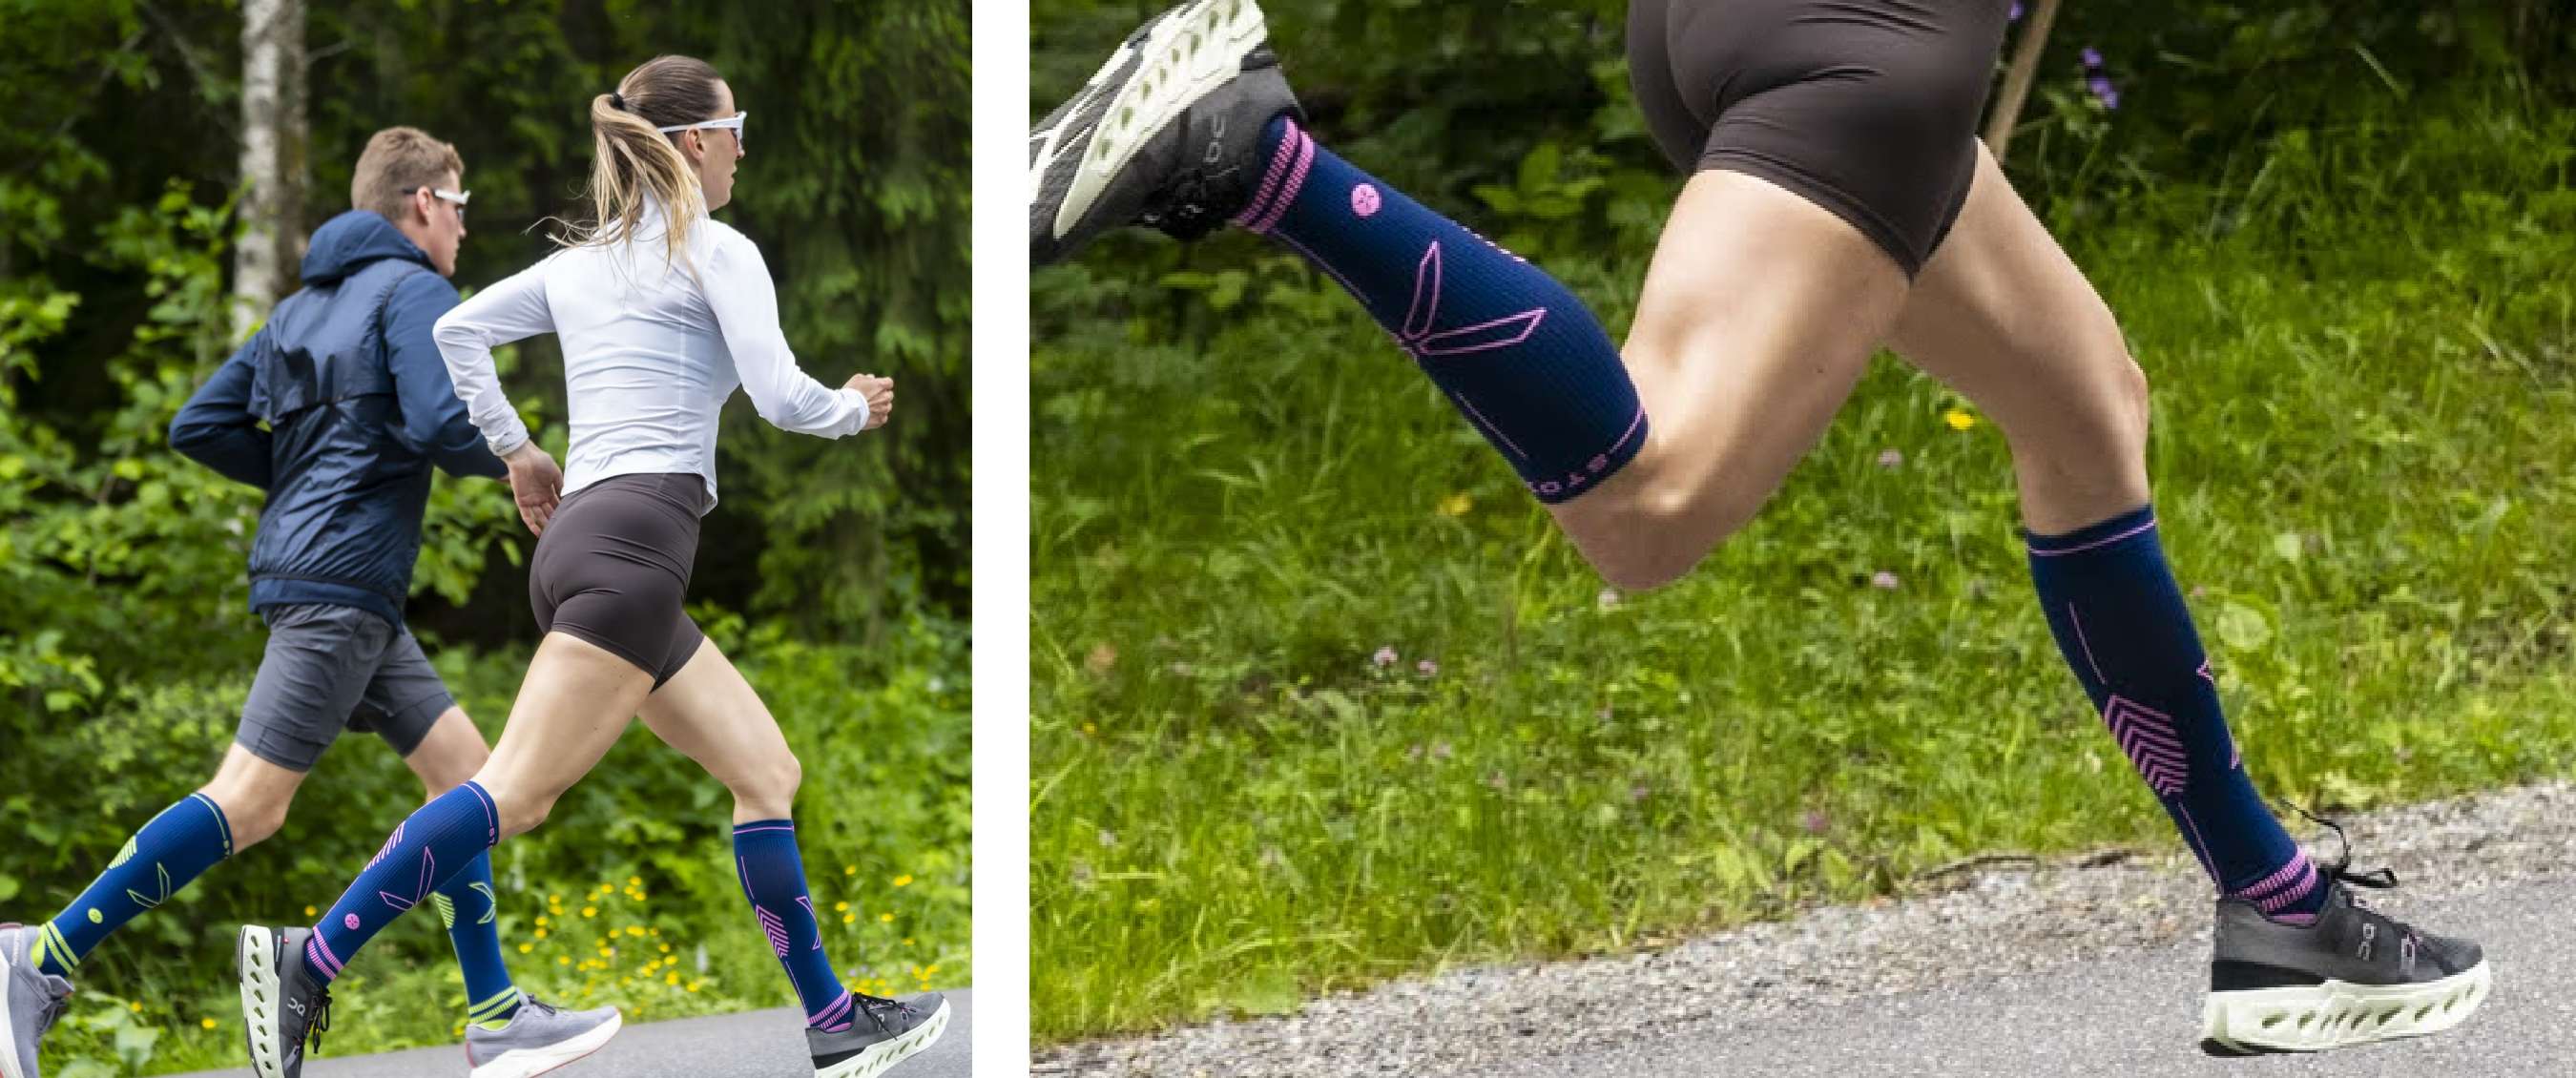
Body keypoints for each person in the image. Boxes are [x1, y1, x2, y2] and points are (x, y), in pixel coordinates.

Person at [1028, 0, 2489, 1055]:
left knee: (2086, 403)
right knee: (1650, 508)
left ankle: (2279, 911)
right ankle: (1261, 161)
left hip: (1731, 26)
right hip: (1867, 36)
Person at [230, 55, 945, 1078]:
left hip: (587, 544)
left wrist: (520, 452)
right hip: (635, 552)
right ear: (695, 141)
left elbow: (458, 329)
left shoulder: (582, 264)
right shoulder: (717, 251)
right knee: (513, 795)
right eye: (735, 129)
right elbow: (784, 397)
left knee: (766, 772)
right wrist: (854, 408)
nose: (742, 149)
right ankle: (311, 957)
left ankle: (833, 1018)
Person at [0, 129, 623, 1078]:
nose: (463, 228)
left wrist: (303, 482)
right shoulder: (415, 291)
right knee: (250, 802)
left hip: (341, 588)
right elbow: (438, 417)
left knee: (467, 777)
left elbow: (200, 423)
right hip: (340, 589)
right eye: (458, 206)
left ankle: (496, 1011)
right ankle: (41, 956)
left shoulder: (298, 310)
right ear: (423, 203)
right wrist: (520, 454)